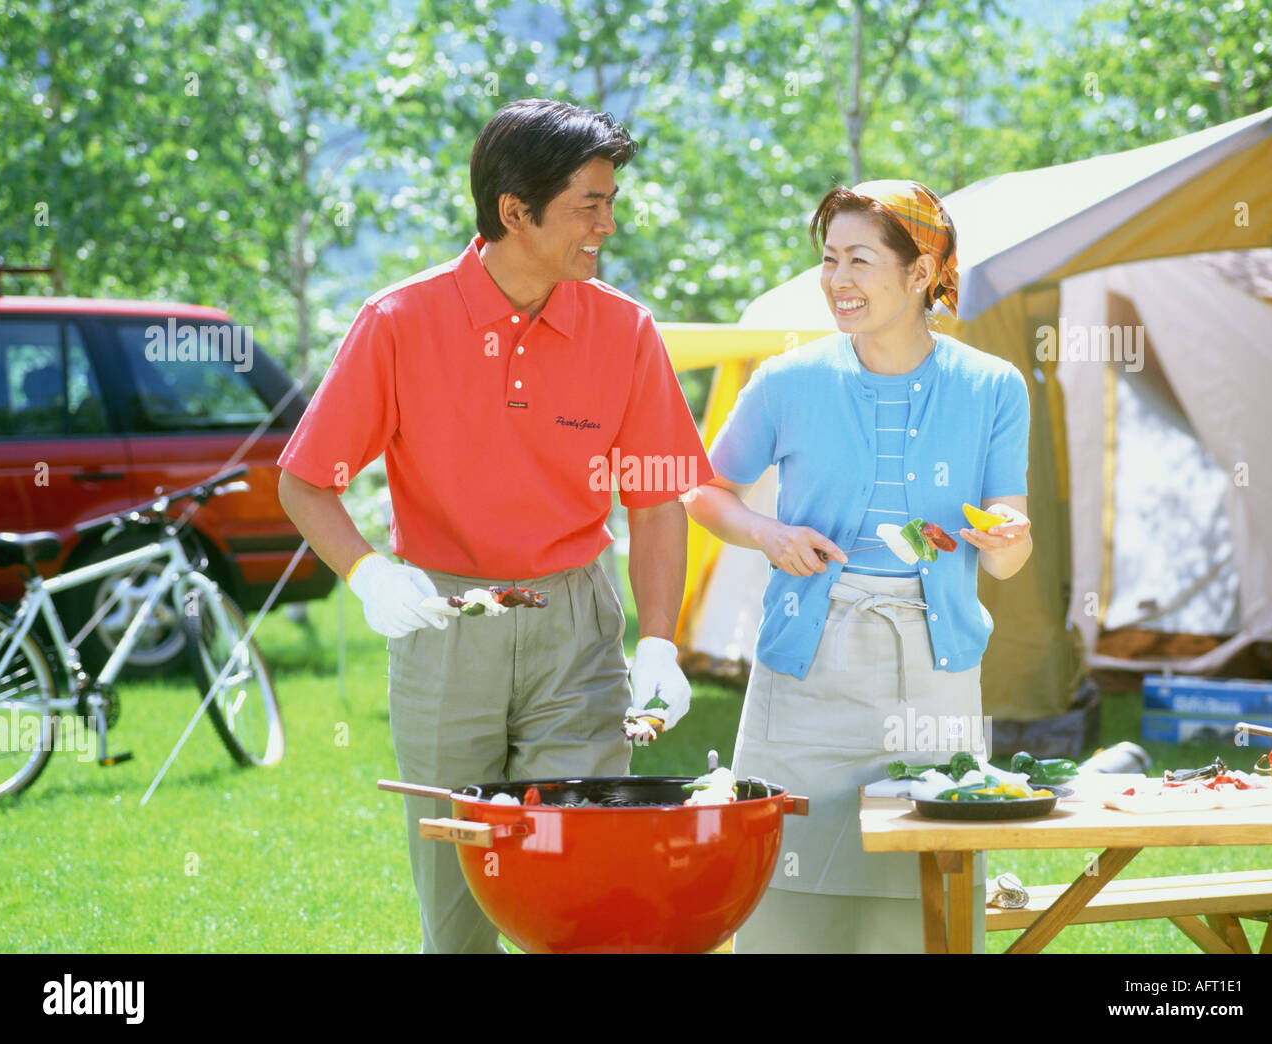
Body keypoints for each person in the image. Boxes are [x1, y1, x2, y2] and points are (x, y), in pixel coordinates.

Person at [276, 99, 713, 953]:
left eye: (610, 201)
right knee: (460, 892)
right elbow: (305, 481)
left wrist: (659, 643)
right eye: (590, 204)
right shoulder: (399, 323)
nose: (608, 225)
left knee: (583, 877)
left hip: (577, 632)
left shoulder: (625, 330)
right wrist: (368, 573)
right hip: (444, 627)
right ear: (515, 211)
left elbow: (657, 499)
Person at [684, 180, 1033, 953]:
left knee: (925, 889)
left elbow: (1012, 535)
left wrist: (1009, 542)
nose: (837, 279)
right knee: (785, 893)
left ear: (920, 273)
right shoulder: (788, 380)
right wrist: (767, 534)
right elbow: (707, 492)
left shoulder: (992, 387)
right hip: (807, 664)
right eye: (829, 258)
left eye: (860, 259)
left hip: (935, 670)